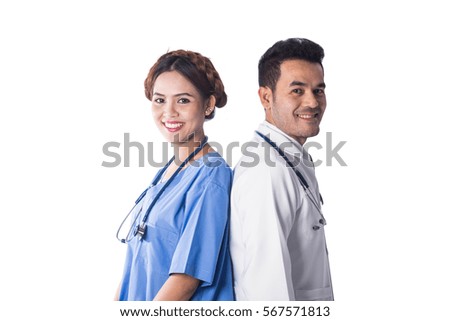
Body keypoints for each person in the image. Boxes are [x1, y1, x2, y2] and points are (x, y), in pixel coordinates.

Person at [115, 50, 234, 301]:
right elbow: (134, 267)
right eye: (159, 100)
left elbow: (186, 280)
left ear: (208, 104)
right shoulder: (167, 172)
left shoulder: (211, 178)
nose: (168, 112)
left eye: (182, 100)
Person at [230, 38, 334, 301]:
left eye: (318, 90)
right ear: (266, 97)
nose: (312, 102)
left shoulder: (288, 158)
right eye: (297, 91)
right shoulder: (267, 171)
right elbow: (267, 289)